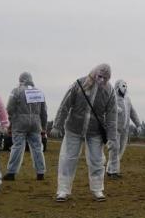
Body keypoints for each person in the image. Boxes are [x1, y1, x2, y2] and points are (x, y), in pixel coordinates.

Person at [50, 63, 118, 202]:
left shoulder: (109, 91)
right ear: (94, 73)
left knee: (97, 160)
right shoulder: (79, 84)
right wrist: (57, 125)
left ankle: (98, 189)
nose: (102, 80)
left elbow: (112, 116)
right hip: (74, 127)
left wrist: (111, 138)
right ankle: (63, 190)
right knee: (68, 158)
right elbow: (65, 105)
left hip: (95, 131)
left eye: (106, 78)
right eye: (100, 76)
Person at [4, 72, 47, 181]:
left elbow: (9, 109)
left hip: (20, 123)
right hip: (36, 124)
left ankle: (11, 172)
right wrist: (44, 127)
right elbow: (44, 112)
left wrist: (9, 124)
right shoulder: (39, 92)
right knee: (37, 148)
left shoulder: (16, 91)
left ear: (20, 80)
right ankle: (40, 172)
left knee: (17, 147)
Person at [107, 79, 141, 179]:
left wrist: (138, 124)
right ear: (117, 86)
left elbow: (132, 112)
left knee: (120, 150)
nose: (125, 87)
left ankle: (110, 169)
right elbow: (106, 111)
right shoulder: (112, 98)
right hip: (114, 129)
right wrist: (114, 109)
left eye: (126, 85)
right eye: (123, 85)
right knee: (114, 149)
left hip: (124, 130)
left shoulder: (127, 99)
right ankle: (114, 172)